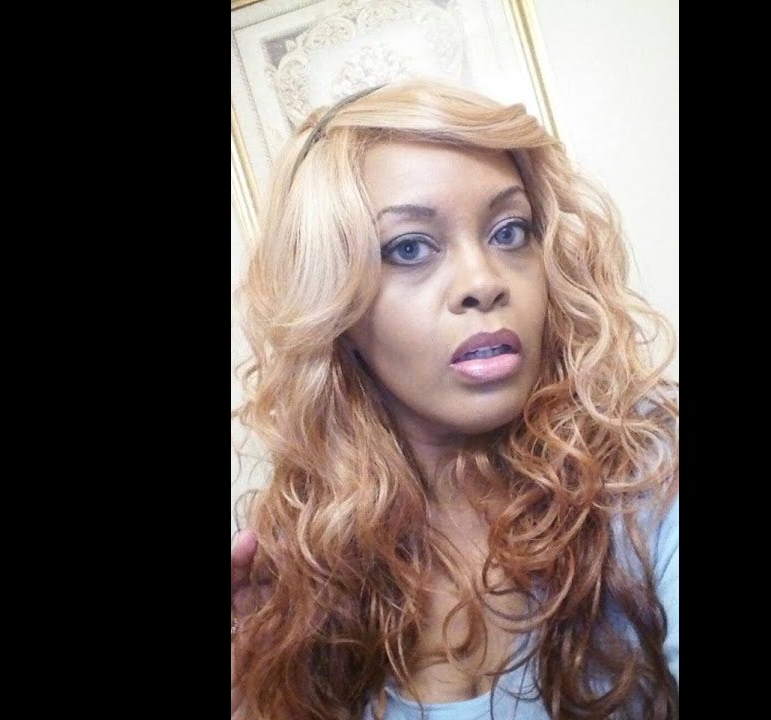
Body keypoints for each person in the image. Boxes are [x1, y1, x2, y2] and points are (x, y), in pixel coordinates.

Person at [231, 79, 678, 720]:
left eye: (510, 231)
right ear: (334, 306)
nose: (482, 281)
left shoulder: (651, 475)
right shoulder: (302, 558)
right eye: (409, 247)